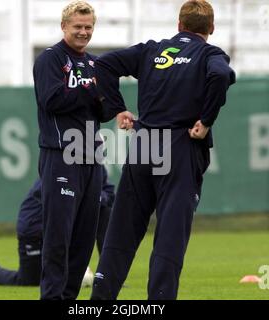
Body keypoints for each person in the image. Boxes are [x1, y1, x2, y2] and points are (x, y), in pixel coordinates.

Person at [91, 0, 236, 300]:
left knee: (122, 231)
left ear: (179, 25)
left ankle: (100, 301)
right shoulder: (210, 54)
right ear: (211, 28)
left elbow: (103, 64)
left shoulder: (152, 50)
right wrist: (206, 120)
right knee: (170, 235)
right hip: (180, 146)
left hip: (144, 144)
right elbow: (220, 76)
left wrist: (117, 109)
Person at [33, 1, 103, 300]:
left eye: (88, 27)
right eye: (78, 26)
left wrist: (102, 99)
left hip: (92, 156)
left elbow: (105, 108)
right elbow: (52, 99)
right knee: (59, 236)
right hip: (61, 154)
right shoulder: (50, 59)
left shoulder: (95, 63)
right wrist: (90, 91)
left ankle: (70, 299)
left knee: (84, 238)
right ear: (64, 27)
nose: (83, 32)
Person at [0, 166, 115, 287]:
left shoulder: (96, 168)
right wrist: (90, 196)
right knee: (29, 280)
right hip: (34, 229)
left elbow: (109, 192)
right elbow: (55, 197)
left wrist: (94, 197)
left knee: (103, 209)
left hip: (61, 226)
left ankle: (107, 273)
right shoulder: (60, 168)